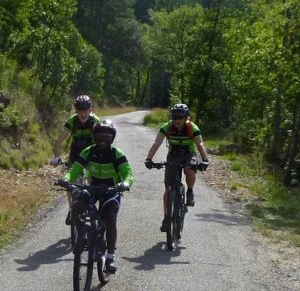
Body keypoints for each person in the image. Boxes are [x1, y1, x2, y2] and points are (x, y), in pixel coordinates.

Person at [63, 119, 133, 273]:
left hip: (111, 191)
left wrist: (126, 183)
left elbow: (128, 172)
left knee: (110, 219)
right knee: (75, 209)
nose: (103, 138)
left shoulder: (116, 153)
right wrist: (66, 180)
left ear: (112, 138)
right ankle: (84, 235)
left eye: (107, 136)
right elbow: (75, 170)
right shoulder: (88, 151)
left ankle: (110, 257)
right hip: (92, 188)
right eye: (99, 135)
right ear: (94, 136)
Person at [144, 103, 210, 233]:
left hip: (188, 155)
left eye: (180, 117)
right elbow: (156, 143)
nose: (177, 120)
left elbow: (200, 144)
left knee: (189, 169)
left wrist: (205, 160)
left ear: (186, 117)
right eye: (174, 117)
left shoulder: (192, 128)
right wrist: (149, 159)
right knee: (168, 189)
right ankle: (166, 217)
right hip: (173, 156)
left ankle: (190, 191)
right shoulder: (167, 127)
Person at [51, 95, 101, 225]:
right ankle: (71, 209)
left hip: (90, 152)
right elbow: (59, 141)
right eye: (80, 111)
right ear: (76, 110)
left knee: (92, 181)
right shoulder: (72, 121)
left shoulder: (95, 121)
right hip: (75, 151)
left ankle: (90, 206)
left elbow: (100, 142)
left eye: (86, 110)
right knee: (70, 182)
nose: (83, 114)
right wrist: (56, 157)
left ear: (90, 109)